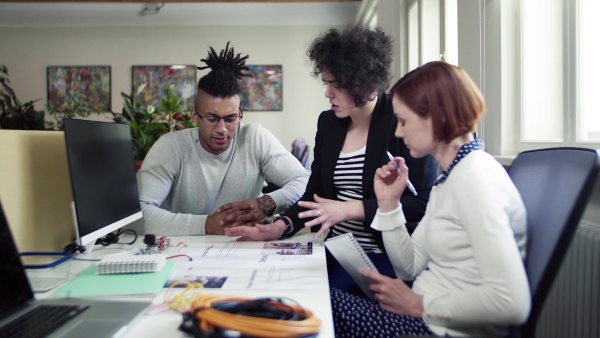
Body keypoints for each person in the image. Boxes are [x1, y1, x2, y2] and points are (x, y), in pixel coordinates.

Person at [225, 25, 438, 294]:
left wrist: (348, 209)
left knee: (319, 300)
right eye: (326, 83)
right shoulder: (329, 123)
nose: (328, 93)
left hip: (384, 255)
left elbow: (421, 203)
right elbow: (316, 194)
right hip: (338, 249)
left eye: (336, 85)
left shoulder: (401, 123)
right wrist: (279, 226)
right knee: (270, 286)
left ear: (365, 82)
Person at [330, 61, 531, 337]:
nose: (398, 132)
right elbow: (408, 265)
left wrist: (418, 304)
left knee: (317, 305)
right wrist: (389, 204)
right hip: (425, 318)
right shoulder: (450, 178)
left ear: (438, 117)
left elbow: (513, 303)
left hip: (436, 328)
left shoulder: (476, 180)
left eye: (404, 121)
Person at [137, 42, 310, 236]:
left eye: (230, 118)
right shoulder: (171, 147)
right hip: (184, 251)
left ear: (240, 113)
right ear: (195, 116)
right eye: (211, 119)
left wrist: (268, 202)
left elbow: (304, 180)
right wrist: (205, 225)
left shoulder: (254, 138)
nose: (222, 129)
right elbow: (139, 213)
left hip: (244, 247)